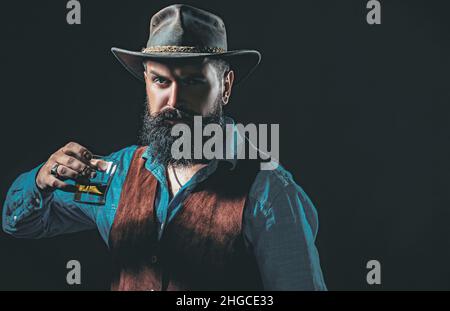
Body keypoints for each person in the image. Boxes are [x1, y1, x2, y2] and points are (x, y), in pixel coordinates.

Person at [2, 4, 327, 291]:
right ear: (146, 81)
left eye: (192, 81)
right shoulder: (115, 176)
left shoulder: (269, 192)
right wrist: (40, 183)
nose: (173, 101)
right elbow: (21, 223)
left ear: (225, 86)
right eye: (161, 81)